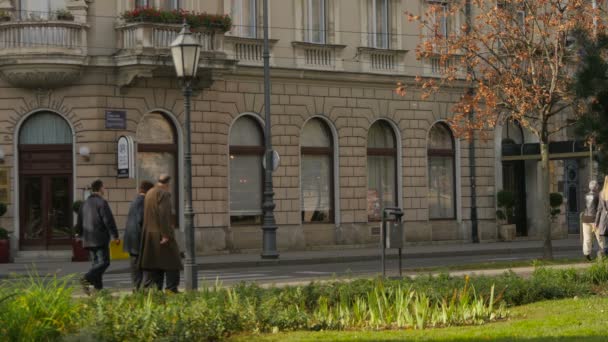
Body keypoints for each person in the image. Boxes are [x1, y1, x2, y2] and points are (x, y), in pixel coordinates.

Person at [139, 174, 182, 293]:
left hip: (150, 235)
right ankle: (171, 290)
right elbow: (164, 215)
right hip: (161, 235)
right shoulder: (164, 194)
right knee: (174, 263)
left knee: (155, 264)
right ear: (167, 185)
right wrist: (165, 235)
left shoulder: (149, 192)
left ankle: (155, 290)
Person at [75, 179, 120, 294]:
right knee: (104, 263)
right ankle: (86, 279)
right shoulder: (102, 202)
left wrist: (79, 234)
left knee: (96, 264)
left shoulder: (84, 204)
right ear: (100, 188)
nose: (104, 189)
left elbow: (79, 221)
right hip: (99, 239)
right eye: (104, 187)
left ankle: (98, 290)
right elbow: (108, 220)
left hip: (88, 239)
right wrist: (115, 235)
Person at [123, 180, 154, 290]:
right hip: (139, 239)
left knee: (135, 266)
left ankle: (136, 289)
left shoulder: (134, 201)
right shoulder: (144, 202)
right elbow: (141, 219)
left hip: (131, 239)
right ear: (149, 191)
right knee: (147, 265)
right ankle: (145, 289)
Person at [583, 180, 604, 261]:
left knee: (587, 238)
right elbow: (599, 209)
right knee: (600, 237)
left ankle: (587, 254)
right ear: (596, 187)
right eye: (597, 186)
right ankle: (604, 252)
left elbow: (586, 207)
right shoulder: (598, 196)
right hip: (595, 219)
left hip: (585, 218)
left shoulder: (585, 195)